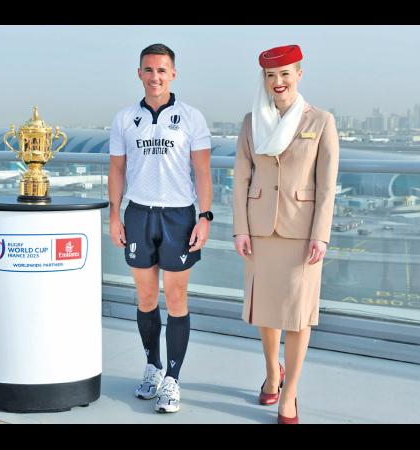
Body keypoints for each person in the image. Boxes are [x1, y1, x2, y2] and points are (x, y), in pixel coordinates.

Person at [232, 45, 339, 424]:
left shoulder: (321, 121)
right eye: (270, 76)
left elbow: (327, 186)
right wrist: (240, 229)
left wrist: (320, 235)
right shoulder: (251, 121)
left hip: (301, 233)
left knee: (297, 316)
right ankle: (272, 372)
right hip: (260, 230)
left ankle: (290, 391)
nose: (277, 82)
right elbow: (241, 177)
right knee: (267, 309)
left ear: (299, 74)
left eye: (284, 74)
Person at [108, 43, 213, 413]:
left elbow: (202, 170)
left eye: (162, 70)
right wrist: (114, 215)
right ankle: (152, 367)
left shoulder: (191, 118)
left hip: (179, 216)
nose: (155, 77)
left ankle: (173, 378)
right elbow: (117, 170)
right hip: (138, 214)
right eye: (149, 70)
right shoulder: (124, 119)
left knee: (177, 298)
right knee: (146, 298)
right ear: (139, 73)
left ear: (173, 74)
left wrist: (205, 215)